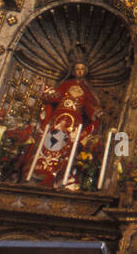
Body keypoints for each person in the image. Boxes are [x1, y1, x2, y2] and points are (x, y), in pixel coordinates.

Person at [30, 55, 103, 187]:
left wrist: (95, 113)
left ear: (85, 71)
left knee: (67, 147)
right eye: (77, 69)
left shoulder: (86, 90)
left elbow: (88, 106)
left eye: (82, 69)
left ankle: (59, 175)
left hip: (74, 123)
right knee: (49, 144)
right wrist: (43, 86)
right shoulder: (66, 85)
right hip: (58, 119)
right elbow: (55, 95)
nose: (79, 71)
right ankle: (41, 170)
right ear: (73, 71)